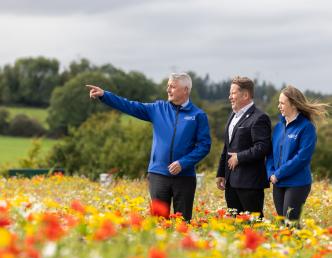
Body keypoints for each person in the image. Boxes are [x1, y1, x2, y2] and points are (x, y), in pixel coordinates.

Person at [87, 73, 211, 221]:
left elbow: (204, 146)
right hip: (158, 175)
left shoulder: (198, 115)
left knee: (183, 224)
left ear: (185, 90)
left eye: (172, 86)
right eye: (168, 86)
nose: (168, 89)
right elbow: (130, 106)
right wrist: (104, 95)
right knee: (159, 223)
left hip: (185, 177)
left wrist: (183, 163)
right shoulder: (157, 108)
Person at [266, 85, 329, 224]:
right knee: (283, 224)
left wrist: (278, 174)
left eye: (282, 103)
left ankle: (305, 244)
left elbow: (302, 158)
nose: (279, 106)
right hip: (278, 182)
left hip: (297, 183)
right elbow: (270, 153)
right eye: (279, 102)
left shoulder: (307, 127)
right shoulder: (279, 127)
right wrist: (270, 172)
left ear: (293, 104)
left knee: (291, 223)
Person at [216, 76, 271, 218]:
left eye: (233, 93)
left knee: (254, 226)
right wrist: (221, 173)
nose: (230, 97)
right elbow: (226, 147)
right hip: (231, 183)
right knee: (235, 228)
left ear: (245, 95)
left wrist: (239, 157)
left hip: (250, 184)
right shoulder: (232, 116)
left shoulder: (259, 117)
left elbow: (263, 146)